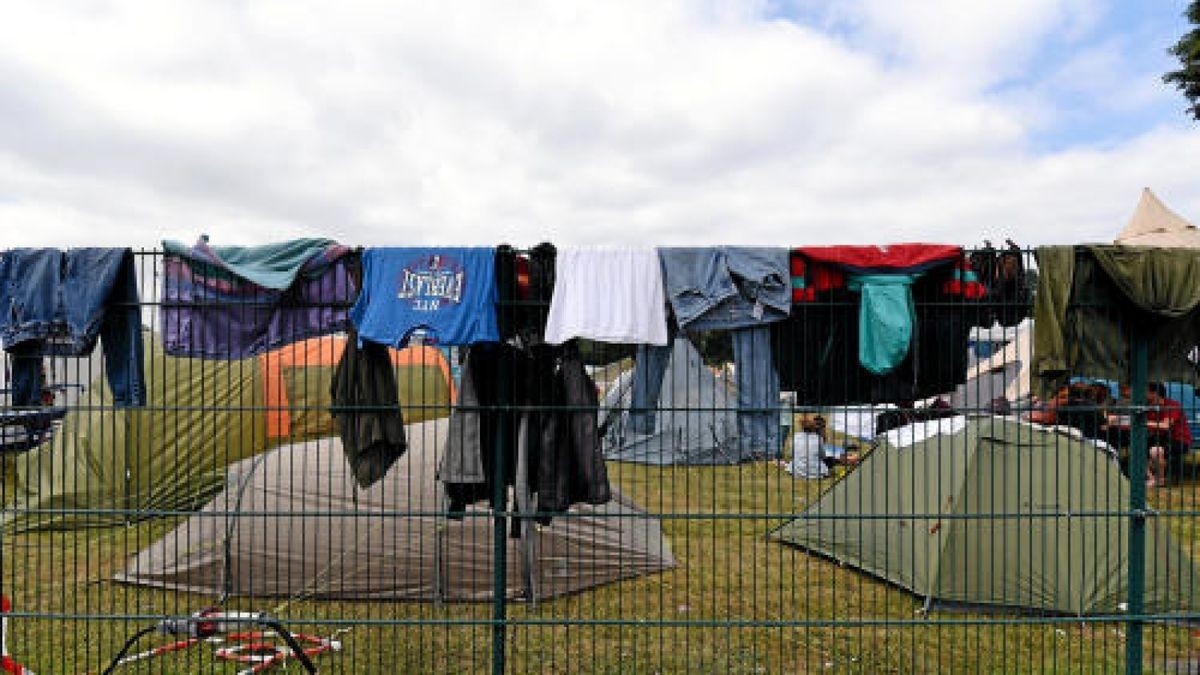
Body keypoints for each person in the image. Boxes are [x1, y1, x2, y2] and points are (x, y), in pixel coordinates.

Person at [1145, 382, 1191, 488]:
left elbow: (1166, 425)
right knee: (1138, 448)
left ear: (1154, 393)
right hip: (1160, 438)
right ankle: (1151, 478)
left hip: (1179, 440)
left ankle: (1160, 480)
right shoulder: (1148, 406)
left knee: (1155, 451)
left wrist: (1144, 423)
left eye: (1146, 391)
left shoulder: (1172, 405)